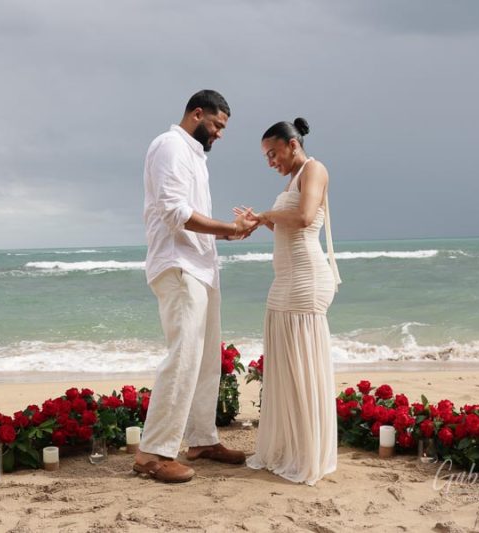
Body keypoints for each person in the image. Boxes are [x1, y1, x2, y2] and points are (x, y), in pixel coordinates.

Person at [136, 90, 256, 483]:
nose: (220, 134)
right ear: (197, 114)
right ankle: (152, 453)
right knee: (183, 357)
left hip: (202, 267)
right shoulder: (169, 145)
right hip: (178, 265)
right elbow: (175, 212)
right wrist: (228, 228)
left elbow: (193, 216)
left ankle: (202, 440)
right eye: (218, 126)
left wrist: (226, 235)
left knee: (206, 361)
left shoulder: (195, 156)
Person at [242, 117, 342, 485]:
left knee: (303, 365)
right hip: (284, 280)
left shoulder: (314, 169)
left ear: (291, 144)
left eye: (272, 154)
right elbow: (285, 224)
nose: (271, 162)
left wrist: (268, 214)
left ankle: (309, 452)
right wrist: (260, 220)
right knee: (284, 366)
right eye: (267, 157)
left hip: (306, 279)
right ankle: (293, 445)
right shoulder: (292, 179)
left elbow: (303, 217)